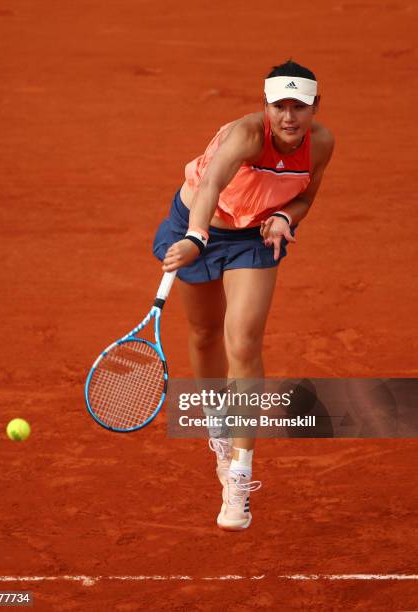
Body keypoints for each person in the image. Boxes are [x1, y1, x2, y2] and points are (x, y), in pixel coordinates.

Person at [153, 59, 334, 531]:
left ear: (316, 107)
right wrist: (195, 237)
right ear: (266, 107)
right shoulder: (246, 135)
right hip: (198, 225)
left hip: (254, 239)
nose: (289, 117)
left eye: (299, 106)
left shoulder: (322, 145)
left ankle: (239, 477)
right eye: (280, 106)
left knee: (244, 344)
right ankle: (216, 425)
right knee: (204, 332)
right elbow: (211, 183)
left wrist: (287, 218)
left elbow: (305, 196)